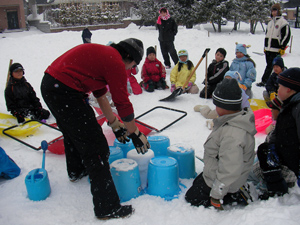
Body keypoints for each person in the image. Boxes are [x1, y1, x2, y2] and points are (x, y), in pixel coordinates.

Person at [40, 38, 150, 220]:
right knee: (96, 146)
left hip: (52, 85)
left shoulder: (105, 55)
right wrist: (135, 133)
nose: (131, 69)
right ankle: (107, 207)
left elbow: (100, 95)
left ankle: (77, 170)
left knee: (74, 131)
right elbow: (123, 103)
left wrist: (114, 123)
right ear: (128, 56)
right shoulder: (114, 61)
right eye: (133, 65)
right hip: (64, 90)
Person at [185, 79, 256, 210]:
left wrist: (217, 194)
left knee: (192, 198)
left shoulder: (232, 135)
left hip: (229, 181)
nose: (214, 108)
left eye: (216, 105)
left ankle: (232, 195)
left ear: (225, 107)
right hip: (220, 171)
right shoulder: (232, 119)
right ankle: (221, 186)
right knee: (198, 182)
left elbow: (229, 169)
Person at [256, 68, 300, 200]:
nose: (277, 89)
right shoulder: (289, 104)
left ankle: (277, 189)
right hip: (285, 152)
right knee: (264, 150)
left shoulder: (297, 107)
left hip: (293, 159)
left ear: (289, 89)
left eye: (280, 86)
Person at [256, 3, 291, 87]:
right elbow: (267, 35)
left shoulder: (283, 22)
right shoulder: (270, 23)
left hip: (276, 49)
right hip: (268, 49)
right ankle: (268, 81)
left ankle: (274, 80)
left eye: (275, 11)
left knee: (274, 66)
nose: (274, 13)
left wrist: (282, 46)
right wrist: (265, 47)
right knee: (269, 65)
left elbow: (286, 35)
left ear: (279, 11)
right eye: (272, 11)